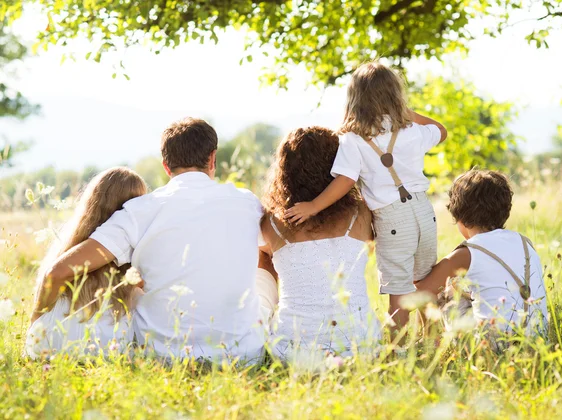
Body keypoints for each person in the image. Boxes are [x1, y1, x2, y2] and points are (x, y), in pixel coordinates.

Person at [33, 118, 275, 363]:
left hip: (161, 356)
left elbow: (58, 272)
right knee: (264, 257)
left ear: (166, 167)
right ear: (213, 159)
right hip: (241, 355)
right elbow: (276, 251)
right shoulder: (246, 202)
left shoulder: (139, 210)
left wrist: (35, 329)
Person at [284, 62, 447, 331]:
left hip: (393, 219)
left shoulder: (353, 139)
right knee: (426, 282)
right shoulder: (411, 131)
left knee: (400, 291)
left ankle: (398, 350)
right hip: (424, 213)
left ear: (354, 100)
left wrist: (313, 206)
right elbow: (441, 130)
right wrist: (408, 114)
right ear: (396, 96)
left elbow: (345, 180)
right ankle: (434, 341)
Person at [261, 126, 381, 361]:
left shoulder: (271, 221)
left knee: (264, 256)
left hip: (293, 347)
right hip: (362, 344)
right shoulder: (362, 212)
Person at [415, 170, 548, 344]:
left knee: (442, 291)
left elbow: (423, 291)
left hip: (491, 347)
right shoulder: (525, 242)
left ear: (461, 219)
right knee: (462, 291)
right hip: (536, 341)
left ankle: (430, 342)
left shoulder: (467, 253)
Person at [27, 167, 147, 358]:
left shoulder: (68, 248)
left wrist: (36, 320)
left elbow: (52, 279)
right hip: (107, 349)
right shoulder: (131, 252)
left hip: (50, 345)